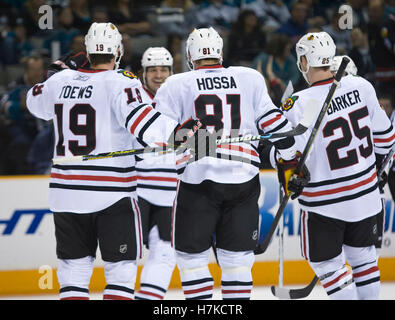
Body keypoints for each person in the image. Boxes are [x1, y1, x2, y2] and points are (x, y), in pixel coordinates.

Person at [25, 22, 192, 300]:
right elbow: (147, 128)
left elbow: (33, 103)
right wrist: (180, 133)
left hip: (66, 195)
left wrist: (53, 74)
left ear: (87, 51)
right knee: (121, 273)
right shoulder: (122, 82)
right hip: (111, 196)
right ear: (118, 51)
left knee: (73, 273)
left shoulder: (59, 82)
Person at [153, 27, 308, 300]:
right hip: (244, 180)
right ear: (220, 53)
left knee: (192, 260)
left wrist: (187, 143)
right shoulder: (249, 77)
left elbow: (160, 136)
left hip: (198, 179)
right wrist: (289, 157)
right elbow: (276, 127)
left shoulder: (176, 83)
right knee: (237, 262)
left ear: (190, 56)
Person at [280, 31, 395, 299]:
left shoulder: (300, 104)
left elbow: (287, 156)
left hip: (325, 203)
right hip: (365, 197)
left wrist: (290, 175)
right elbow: (386, 139)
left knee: (329, 267)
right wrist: (374, 170)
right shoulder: (362, 87)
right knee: (364, 261)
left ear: (305, 62)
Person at [133, 47, 177, 300]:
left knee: (165, 252)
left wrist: (212, 142)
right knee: (124, 257)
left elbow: (197, 144)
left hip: (168, 195)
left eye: (163, 70)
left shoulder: (181, 98)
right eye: (153, 70)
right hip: (136, 192)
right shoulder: (132, 99)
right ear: (144, 73)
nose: (158, 75)